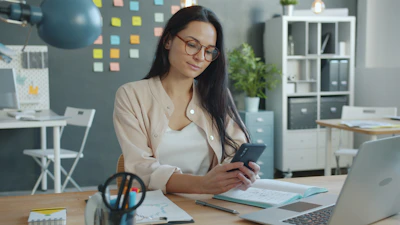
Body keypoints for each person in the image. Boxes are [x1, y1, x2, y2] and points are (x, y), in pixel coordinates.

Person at [113, 5, 260, 194]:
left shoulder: (218, 96)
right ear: (168, 41)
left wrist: (241, 173)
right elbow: (140, 168)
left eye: (209, 51)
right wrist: (201, 185)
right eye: (192, 45)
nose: (200, 57)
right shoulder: (131, 95)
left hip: (210, 206)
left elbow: (237, 150)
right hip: (157, 208)